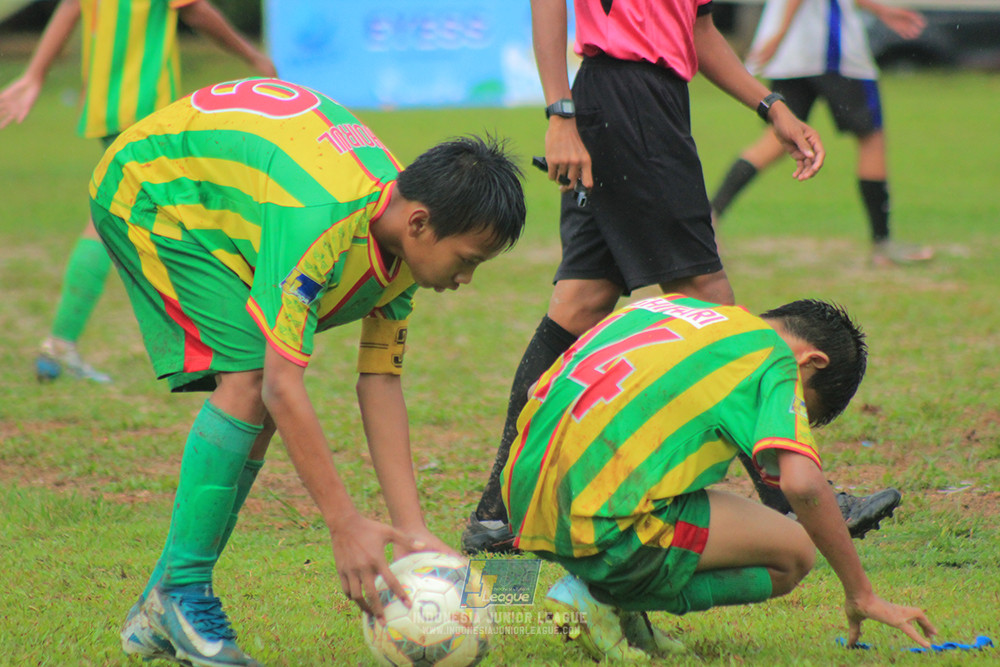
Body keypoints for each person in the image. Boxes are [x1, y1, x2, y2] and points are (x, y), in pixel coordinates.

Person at [92, 77, 526, 666]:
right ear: (420, 224)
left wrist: (413, 530)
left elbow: (380, 380)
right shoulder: (324, 219)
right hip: (153, 190)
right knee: (250, 384)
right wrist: (343, 524)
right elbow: (280, 383)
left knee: (259, 402)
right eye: (467, 261)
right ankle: (180, 592)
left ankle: (160, 605)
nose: (464, 279)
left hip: (231, 197)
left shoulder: (398, 233)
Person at [461, 0, 897, 554]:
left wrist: (771, 105)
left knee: (579, 304)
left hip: (646, 101)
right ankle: (792, 498)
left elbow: (698, 29)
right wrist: (559, 112)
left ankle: (497, 518)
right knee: (713, 307)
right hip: (629, 102)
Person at [501, 294, 936, 660]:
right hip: (600, 520)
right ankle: (603, 596)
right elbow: (801, 485)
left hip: (526, 501)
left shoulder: (668, 307)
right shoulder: (775, 358)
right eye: (804, 408)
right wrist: (862, 594)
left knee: (681, 483)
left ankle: (616, 601)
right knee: (795, 552)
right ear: (811, 362)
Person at [0, 0, 276, 384]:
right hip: (146, 107)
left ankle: (62, 343)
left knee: (119, 218)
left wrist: (35, 73)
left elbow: (70, 7)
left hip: (106, 105)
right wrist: (253, 55)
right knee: (183, 215)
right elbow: (194, 9)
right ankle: (211, 351)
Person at [711, 0, 933, 268]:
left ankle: (711, 215)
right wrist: (780, 33)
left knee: (777, 140)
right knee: (871, 140)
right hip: (833, 53)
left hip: (792, 57)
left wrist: (880, 10)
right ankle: (882, 243)